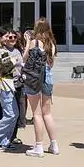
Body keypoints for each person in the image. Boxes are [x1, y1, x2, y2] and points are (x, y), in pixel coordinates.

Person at [22, 20, 59, 158]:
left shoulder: (35, 42)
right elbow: (51, 64)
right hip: (48, 78)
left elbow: (25, 58)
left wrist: (27, 42)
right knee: (47, 113)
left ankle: (39, 146)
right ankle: (54, 144)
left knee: (36, 114)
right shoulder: (52, 44)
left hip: (34, 79)